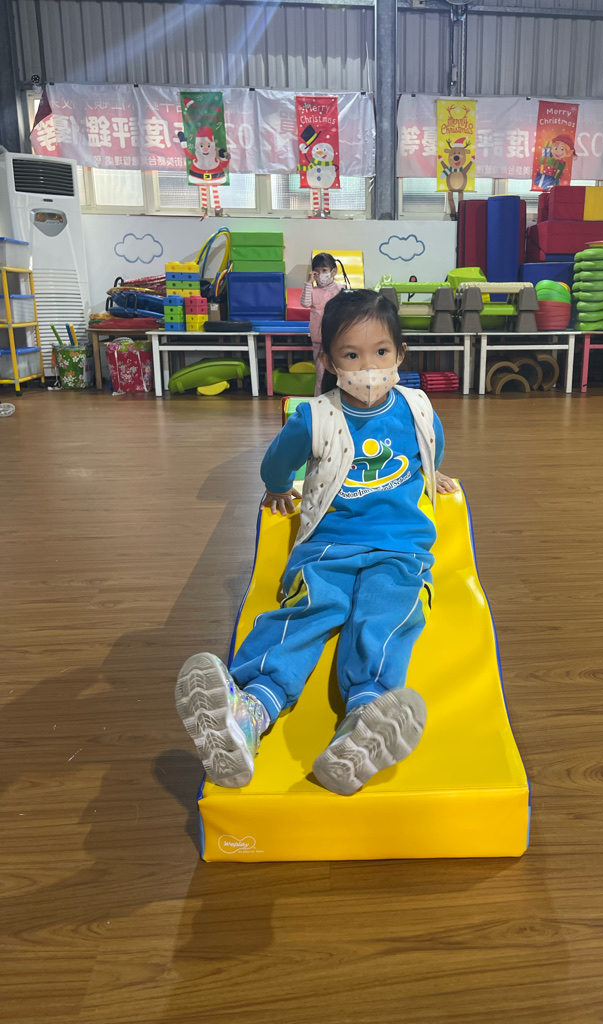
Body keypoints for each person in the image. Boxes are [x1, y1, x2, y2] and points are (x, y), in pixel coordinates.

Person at [175, 289, 459, 796]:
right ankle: (248, 711)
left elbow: (432, 443)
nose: (368, 367)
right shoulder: (314, 416)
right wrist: (278, 487)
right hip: (328, 549)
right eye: (351, 355)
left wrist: (431, 472)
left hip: (400, 550)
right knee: (307, 612)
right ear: (328, 360)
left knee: (386, 616)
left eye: (381, 352)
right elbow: (276, 463)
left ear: (400, 353)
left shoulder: (417, 406)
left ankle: (365, 721)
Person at [301, 253, 344, 395]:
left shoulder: (341, 289)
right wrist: (309, 282)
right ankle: (319, 402)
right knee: (321, 375)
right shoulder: (313, 291)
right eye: (317, 271)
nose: (320, 275)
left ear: (334, 271)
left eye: (324, 270)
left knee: (340, 373)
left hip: (337, 339)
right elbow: (305, 303)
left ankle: (340, 402)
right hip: (319, 340)